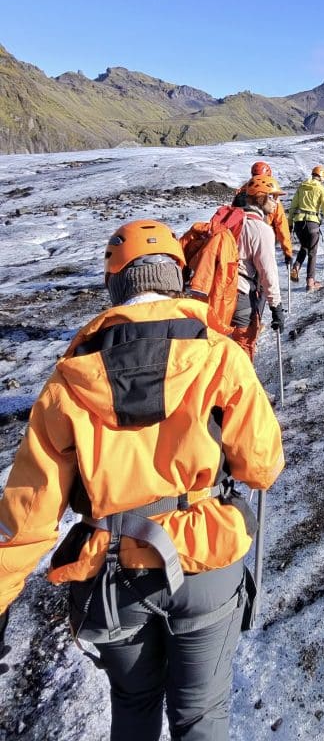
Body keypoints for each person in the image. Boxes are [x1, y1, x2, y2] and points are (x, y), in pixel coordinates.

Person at [0, 219, 284, 741]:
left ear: (115, 284)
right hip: (205, 561)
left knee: (132, 712)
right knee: (201, 718)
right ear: (177, 278)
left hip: (111, 576)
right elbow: (261, 466)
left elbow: (27, 515)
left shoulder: (68, 381)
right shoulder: (221, 356)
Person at [230, 174, 286, 361]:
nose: (276, 202)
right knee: (243, 349)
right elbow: (268, 273)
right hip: (241, 294)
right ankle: (243, 389)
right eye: (273, 197)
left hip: (218, 292)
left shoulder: (231, 221)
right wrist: (276, 306)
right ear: (261, 197)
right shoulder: (260, 229)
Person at [233, 160, 292, 270]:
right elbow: (281, 225)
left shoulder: (243, 191)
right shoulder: (271, 195)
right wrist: (287, 251)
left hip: (239, 240)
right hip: (263, 237)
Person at [287, 165, 324, 292]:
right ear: (322, 177)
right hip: (312, 223)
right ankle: (310, 282)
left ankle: (296, 267)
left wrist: (290, 222)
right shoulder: (321, 189)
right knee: (312, 253)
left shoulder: (302, 187)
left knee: (304, 246)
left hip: (298, 222)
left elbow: (293, 206)